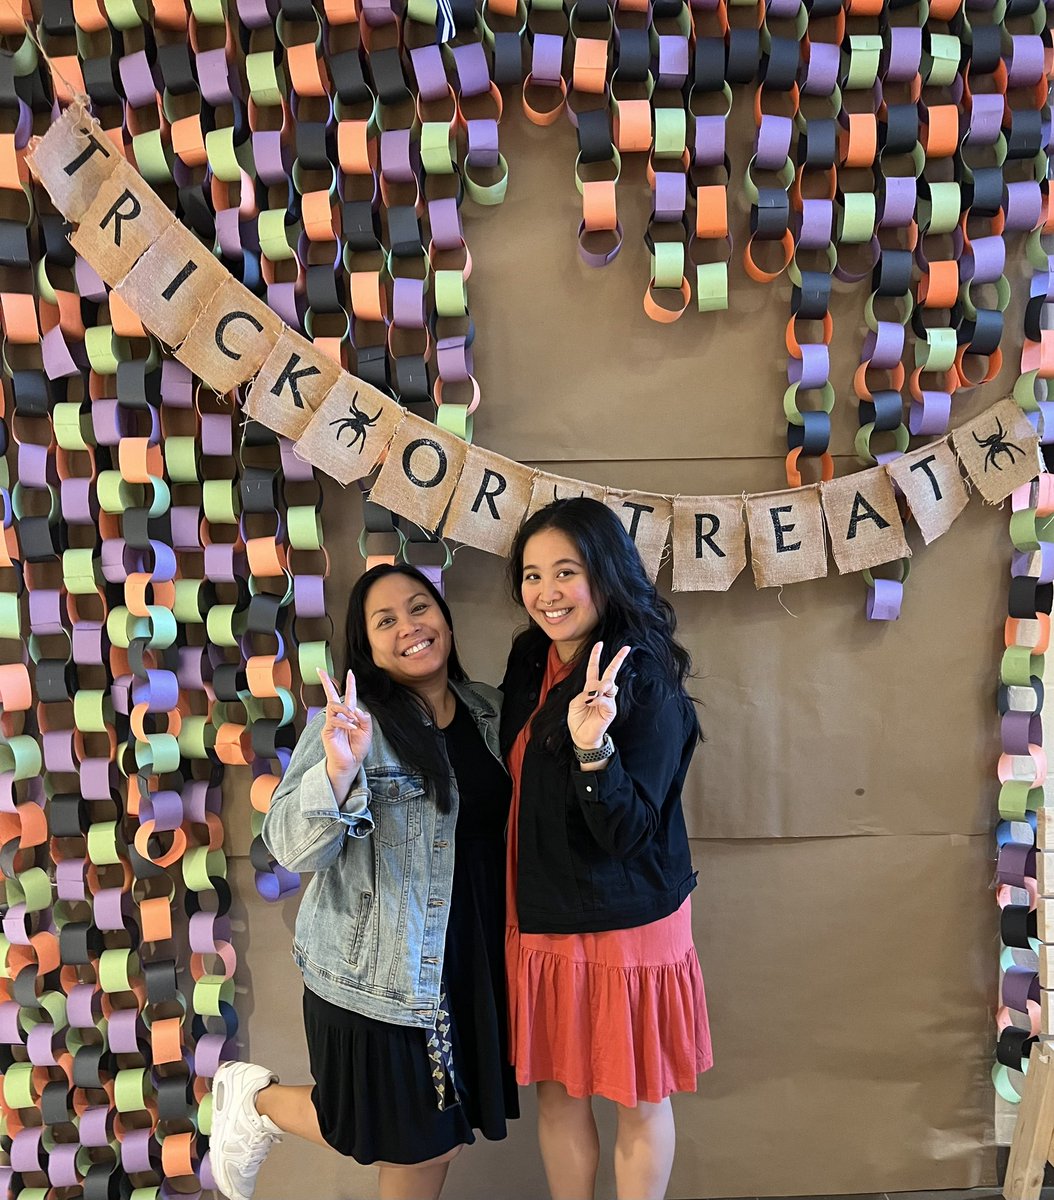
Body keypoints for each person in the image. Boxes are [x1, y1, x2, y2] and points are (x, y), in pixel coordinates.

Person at [206, 563, 518, 1200]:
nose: (409, 626)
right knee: (412, 1138)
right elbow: (292, 848)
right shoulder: (350, 726)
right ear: (367, 647)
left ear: (445, 618)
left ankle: (259, 1102)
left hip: (468, 961)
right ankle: (260, 1102)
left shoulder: (487, 709)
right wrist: (338, 772)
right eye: (386, 620)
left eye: (419, 607)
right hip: (379, 973)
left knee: (438, 1139)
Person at [500, 497, 712, 1200]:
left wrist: (593, 749)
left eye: (566, 571)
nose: (547, 593)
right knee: (559, 1092)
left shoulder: (643, 677)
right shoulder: (530, 657)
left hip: (627, 920)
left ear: (606, 572)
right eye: (532, 575)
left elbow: (628, 831)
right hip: (543, 905)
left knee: (638, 1097)